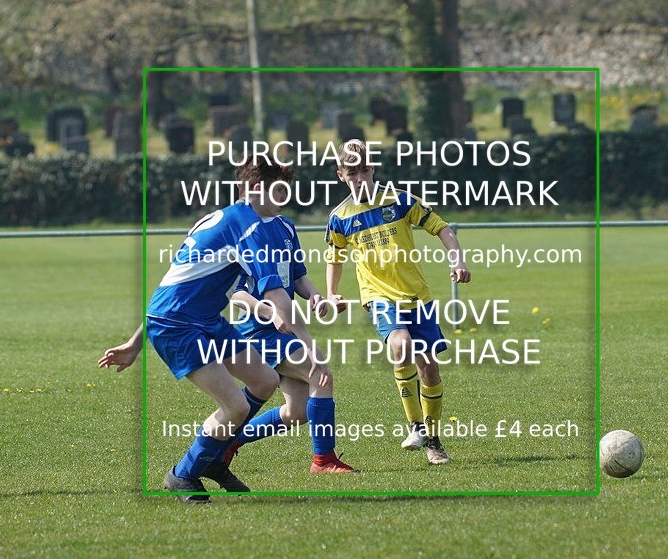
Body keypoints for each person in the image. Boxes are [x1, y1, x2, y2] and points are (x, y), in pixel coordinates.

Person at [99, 158, 353, 503]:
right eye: (276, 190)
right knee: (234, 406)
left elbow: (173, 282)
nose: (283, 197)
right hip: (178, 326)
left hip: (206, 320)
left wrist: (133, 342)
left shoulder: (222, 219)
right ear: (251, 190)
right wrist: (310, 349)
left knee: (264, 381)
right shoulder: (249, 227)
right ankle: (183, 473)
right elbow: (275, 294)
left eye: (285, 189)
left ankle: (215, 458)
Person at [325, 139, 471, 465]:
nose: (360, 178)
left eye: (364, 171)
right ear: (341, 175)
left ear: (372, 169)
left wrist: (457, 261)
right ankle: (415, 425)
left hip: (416, 296)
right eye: (352, 173)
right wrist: (332, 291)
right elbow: (335, 257)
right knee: (400, 344)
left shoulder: (401, 201)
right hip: (377, 296)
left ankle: (433, 440)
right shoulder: (340, 217)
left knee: (428, 370)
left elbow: (442, 228)